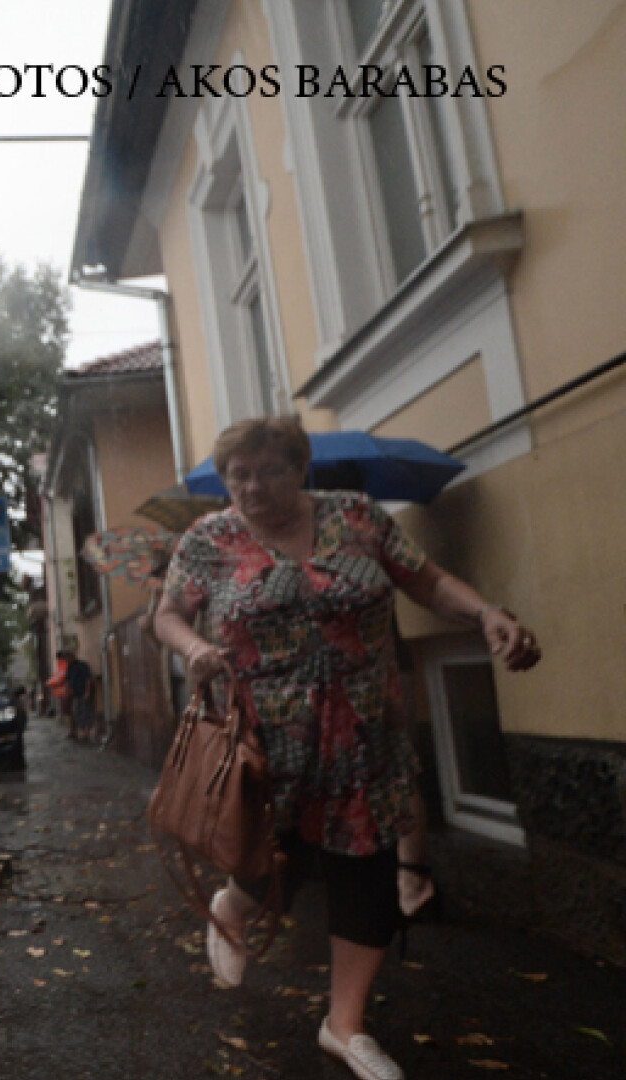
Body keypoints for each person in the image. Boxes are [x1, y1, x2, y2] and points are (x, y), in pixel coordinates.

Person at [152, 417, 539, 1080]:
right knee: (276, 858)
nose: (252, 486)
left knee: (367, 879)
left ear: (298, 466)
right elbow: (168, 615)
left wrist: (484, 614)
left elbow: (426, 579)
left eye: (268, 470)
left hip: (366, 732)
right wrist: (196, 651)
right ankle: (233, 907)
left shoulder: (356, 517)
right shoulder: (209, 539)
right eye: (238, 475)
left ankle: (345, 1025)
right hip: (266, 737)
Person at [61, 648, 94, 741]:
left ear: (72, 657)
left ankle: (86, 734)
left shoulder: (82, 665)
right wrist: (66, 693)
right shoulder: (69, 668)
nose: (66, 661)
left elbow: (88, 679)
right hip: (75, 694)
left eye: (67, 659)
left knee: (85, 712)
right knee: (77, 713)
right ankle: (81, 732)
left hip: (83, 693)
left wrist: (87, 692)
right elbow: (68, 681)